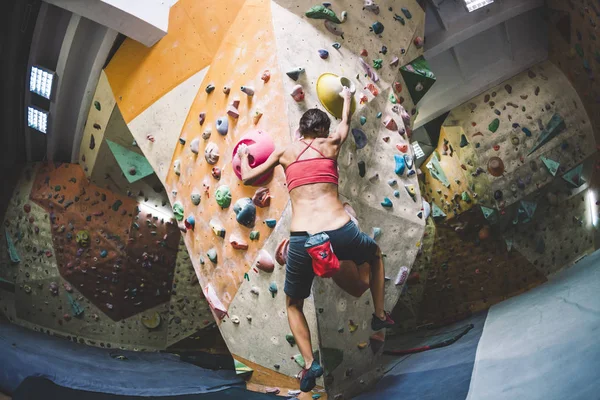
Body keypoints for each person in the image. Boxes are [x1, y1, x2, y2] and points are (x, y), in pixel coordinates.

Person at [238, 87, 394, 393]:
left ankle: (310, 363)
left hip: (303, 238)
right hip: (340, 230)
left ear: (300, 131)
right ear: (323, 130)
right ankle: (378, 315)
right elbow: (345, 122)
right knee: (374, 256)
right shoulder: (332, 142)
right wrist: (347, 97)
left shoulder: (285, 152)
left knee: (294, 304)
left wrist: (244, 155)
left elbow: (247, 176)